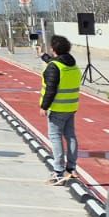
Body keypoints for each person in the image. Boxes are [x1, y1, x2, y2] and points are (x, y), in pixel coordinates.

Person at [40, 35, 82, 185]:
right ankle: (71, 168)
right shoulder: (72, 64)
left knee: (55, 137)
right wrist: (44, 57)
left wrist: (44, 106)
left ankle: (58, 171)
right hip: (71, 107)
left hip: (57, 108)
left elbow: (51, 88)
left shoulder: (54, 67)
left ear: (54, 49)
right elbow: (57, 65)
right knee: (70, 136)